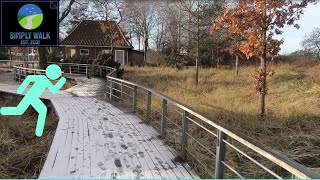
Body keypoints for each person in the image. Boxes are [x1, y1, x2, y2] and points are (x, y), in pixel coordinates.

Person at [0, 64, 66, 137]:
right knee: (37, 110)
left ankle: (38, 132)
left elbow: (29, 78)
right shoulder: (44, 79)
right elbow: (53, 90)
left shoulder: (43, 79)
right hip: (32, 96)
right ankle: (38, 132)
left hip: (31, 96)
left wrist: (21, 88)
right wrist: (61, 82)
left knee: (20, 110)